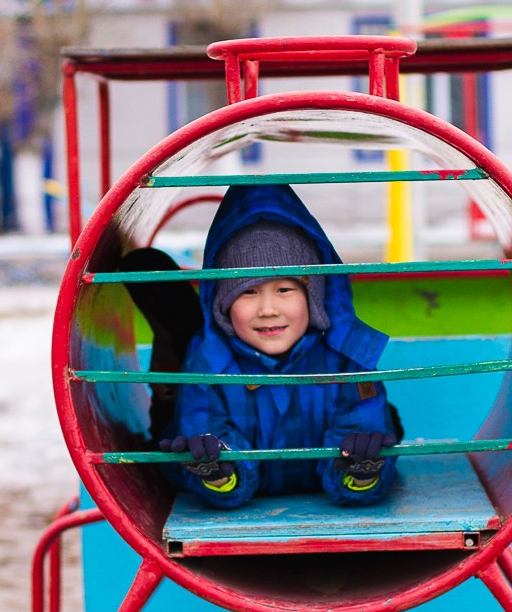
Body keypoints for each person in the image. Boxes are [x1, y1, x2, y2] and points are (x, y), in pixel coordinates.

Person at [159, 183, 399, 509]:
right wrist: (218, 476)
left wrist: (360, 475)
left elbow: (362, 433)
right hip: (245, 500)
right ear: (222, 304)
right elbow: (207, 438)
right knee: (169, 435)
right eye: (248, 291)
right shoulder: (208, 365)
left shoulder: (348, 359)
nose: (268, 309)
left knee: (386, 427)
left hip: (325, 500)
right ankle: (165, 364)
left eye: (285, 289)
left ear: (313, 295)